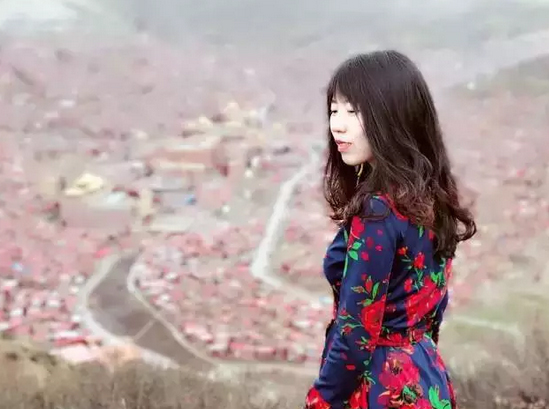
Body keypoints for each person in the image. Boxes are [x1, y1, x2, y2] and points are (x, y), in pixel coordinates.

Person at [304, 50, 476, 409]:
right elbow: (434, 306)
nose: (337, 125)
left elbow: (355, 334)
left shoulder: (377, 212)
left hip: (379, 388)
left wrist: (320, 402)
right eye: (334, 110)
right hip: (426, 377)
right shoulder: (429, 196)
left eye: (354, 112)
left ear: (393, 116)